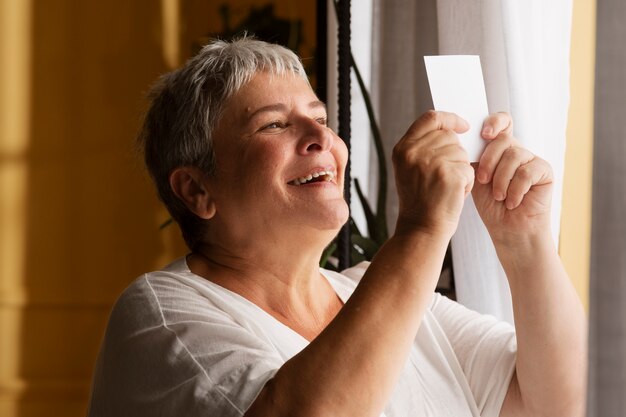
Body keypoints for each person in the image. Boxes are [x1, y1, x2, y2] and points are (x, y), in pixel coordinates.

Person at [87, 37, 586, 417]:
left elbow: (564, 402)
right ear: (197, 190)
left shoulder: (382, 295)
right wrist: (419, 229)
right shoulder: (159, 315)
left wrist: (524, 240)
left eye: (319, 116)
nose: (320, 137)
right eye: (274, 124)